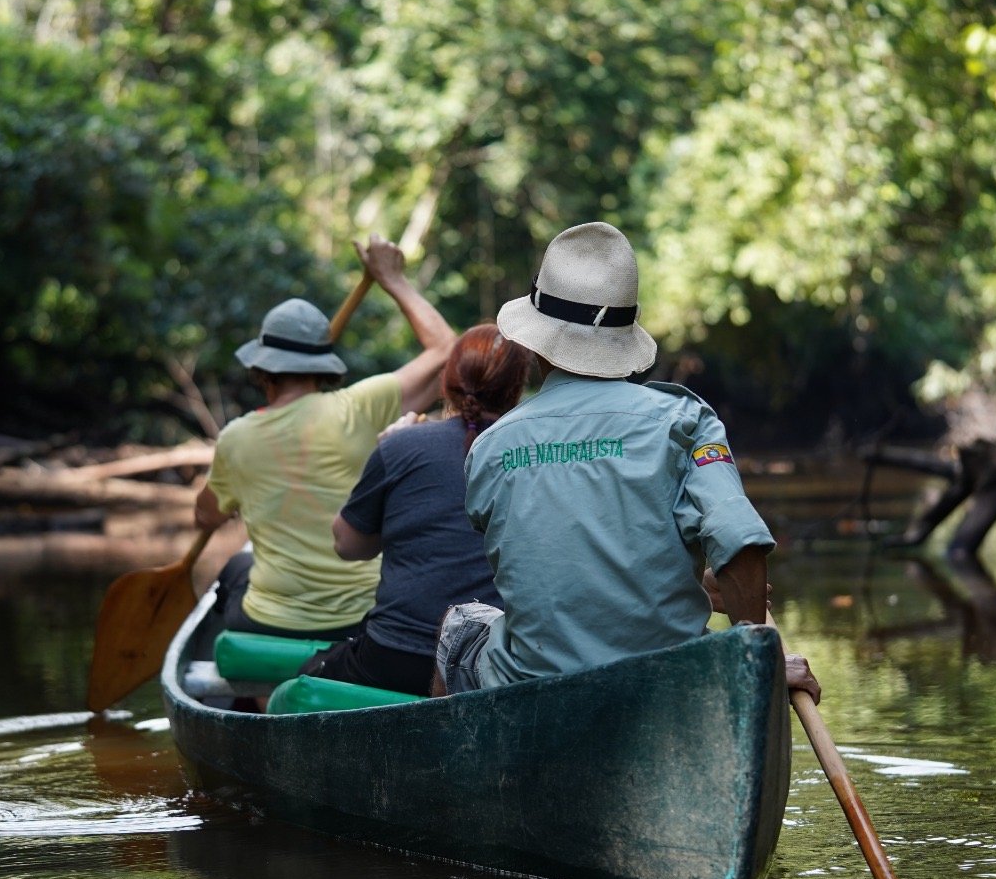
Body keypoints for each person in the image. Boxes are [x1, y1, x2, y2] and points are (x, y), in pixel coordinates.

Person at [437, 221, 820, 702]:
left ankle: (462, 772)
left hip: (535, 688)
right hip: (669, 683)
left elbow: (555, 565)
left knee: (458, 629)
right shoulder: (685, 421)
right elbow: (739, 541)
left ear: (536, 341)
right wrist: (757, 665)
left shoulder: (491, 447)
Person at [195, 235, 456, 642]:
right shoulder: (362, 405)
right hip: (363, 617)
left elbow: (205, 517)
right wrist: (393, 280)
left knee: (233, 572)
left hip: (271, 620)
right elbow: (447, 351)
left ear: (262, 370)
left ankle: (262, 697)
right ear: (323, 365)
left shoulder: (235, 438)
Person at [299, 324, 533, 695]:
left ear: (446, 382)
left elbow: (349, 546)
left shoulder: (402, 445)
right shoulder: (535, 455)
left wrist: (387, 451)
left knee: (306, 675)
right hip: (486, 658)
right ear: (518, 387)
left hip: (393, 655)